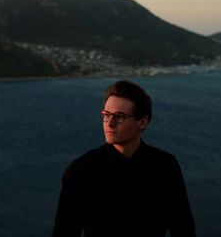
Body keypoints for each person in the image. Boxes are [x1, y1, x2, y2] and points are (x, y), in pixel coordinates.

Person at [52, 80, 196, 237]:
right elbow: (64, 231)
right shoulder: (81, 170)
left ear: (142, 122)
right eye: (106, 115)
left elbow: (183, 228)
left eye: (119, 116)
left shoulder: (165, 166)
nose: (110, 123)